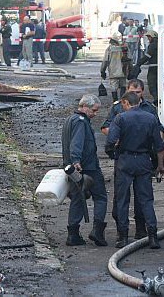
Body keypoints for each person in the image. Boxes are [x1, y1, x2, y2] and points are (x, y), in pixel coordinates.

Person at [101, 78, 164, 240]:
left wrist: (114, 153)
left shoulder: (121, 117)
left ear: (127, 103)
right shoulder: (149, 116)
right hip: (144, 160)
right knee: (146, 199)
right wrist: (160, 165)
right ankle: (152, 236)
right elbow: (159, 144)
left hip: (125, 160)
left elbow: (110, 141)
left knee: (122, 199)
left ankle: (123, 236)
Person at [62, 94, 108, 247]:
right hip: (87, 167)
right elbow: (77, 143)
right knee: (100, 197)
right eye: (94, 110)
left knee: (77, 199)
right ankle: (97, 231)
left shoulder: (70, 119)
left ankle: (73, 234)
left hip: (73, 170)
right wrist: (76, 161)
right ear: (85, 107)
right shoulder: (81, 122)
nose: (95, 114)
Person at [100, 33, 127, 101]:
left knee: (113, 87)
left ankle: (115, 101)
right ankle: (122, 101)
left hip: (113, 71)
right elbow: (129, 60)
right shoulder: (125, 48)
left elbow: (105, 61)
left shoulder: (109, 49)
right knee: (123, 86)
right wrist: (131, 70)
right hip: (123, 71)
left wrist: (102, 71)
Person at [135, 30, 158, 105]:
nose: (148, 39)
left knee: (152, 84)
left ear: (152, 37)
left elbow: (148, 56)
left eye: (149, 37)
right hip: (160, 68)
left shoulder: (153, 45)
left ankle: (156, 99)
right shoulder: (161, 43)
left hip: (153, 68)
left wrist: (139, 63)